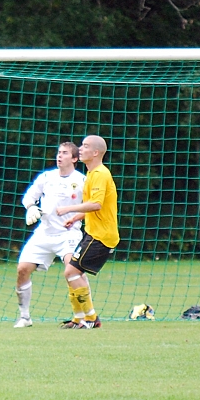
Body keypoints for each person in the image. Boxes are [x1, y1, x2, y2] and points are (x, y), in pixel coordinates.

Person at [13, 142, 85, 328]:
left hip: (69, 234)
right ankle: (25, 317)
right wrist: (31, 208)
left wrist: (76, 217)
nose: (59, 156)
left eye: (65, 153)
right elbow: (28, 197)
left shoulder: (82, 180)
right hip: (44, 233)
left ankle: (83, 317)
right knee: (22, 269)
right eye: (59, 152)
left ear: (75, 159)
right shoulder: (46, 177)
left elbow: (93, 206)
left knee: (73, 271)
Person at [55, 135, 119, 329]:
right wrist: (75, 218)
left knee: (71, 271)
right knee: (72, 272)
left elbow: (97, 205)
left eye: (85, 146)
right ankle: (80, 318)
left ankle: (90, 318)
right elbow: (96, 205)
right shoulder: (92, 173)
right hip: (92, 233)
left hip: (102, 236)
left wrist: (68, 209)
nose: (80, 149)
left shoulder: (100, 173)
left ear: (95, 152)